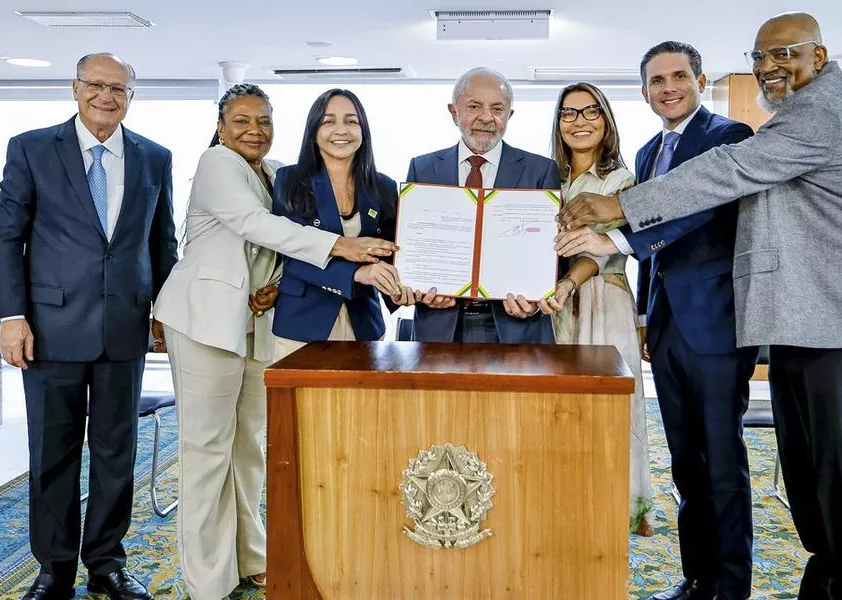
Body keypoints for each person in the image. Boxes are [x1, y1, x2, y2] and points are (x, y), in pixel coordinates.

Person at [558, 13, 842, 600]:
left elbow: (727, 176)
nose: (769, 67)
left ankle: (776, 586)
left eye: (785, 55)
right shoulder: (764, 123)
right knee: (809, 482)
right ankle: (793, 584)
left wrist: (617, 210)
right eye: (760, 58)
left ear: (820, 56)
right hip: (801, 325)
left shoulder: (816, 113)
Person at [152, 84, 396, 600]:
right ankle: (206, 577)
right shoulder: (217, 162)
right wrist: (342, 246)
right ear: (220, 125)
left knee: (248, 448)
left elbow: (278, 245)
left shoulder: (273, 172)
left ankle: (250, 554)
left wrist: (276, 283)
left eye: (263, 120)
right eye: (241, 120)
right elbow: (254, 225)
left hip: (253, 321)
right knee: (207, 448)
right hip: (204, 319)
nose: (253, 130)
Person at [558, 42, 758, 600]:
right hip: (668, 326)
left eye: (678, 76)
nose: (668, 87)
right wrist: (647, 318)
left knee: (721, 459)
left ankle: (730, 587)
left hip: (718, 325)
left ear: (699, 78)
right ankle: (697, 579)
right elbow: (659, 256)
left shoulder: (728, 137)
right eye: (655, 80)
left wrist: (613, 236)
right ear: (644, 91)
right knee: (686, 463)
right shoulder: (647, 154)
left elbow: (697, 211)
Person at [0, 53, 175, 600]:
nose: (106, 96)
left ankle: (107, 564)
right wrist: (11, 316)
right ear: (74, 89)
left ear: (131, 96)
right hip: (48, 328)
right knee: (53, 452)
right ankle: (53, 570)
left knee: (118, 453)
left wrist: (164, 312)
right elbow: (6, 237)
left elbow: (161, 242)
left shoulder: (154, 158)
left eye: (118, 88)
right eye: (95, 85)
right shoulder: (30, 148)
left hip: (125, 327)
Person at [536, 82, 655, 536]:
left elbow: (605, 252)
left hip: (604, 302)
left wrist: (568, 281)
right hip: (552, 305)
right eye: (569, 112)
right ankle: (565, 499)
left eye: (590, 112)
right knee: (559, 408)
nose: (579, 121)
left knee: (608, 409)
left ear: (606, 120)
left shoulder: (622, 183)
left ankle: (618, 504)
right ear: (558, 121)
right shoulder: (544, 178)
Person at [405, 66, 562, 344]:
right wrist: (415, 288)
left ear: (509, 116)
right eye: (474, 106)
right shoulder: (423, 168)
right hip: (441, 324)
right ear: (454, 112)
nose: (487, 117)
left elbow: (552, 252)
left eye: (498, 109)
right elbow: (414, 245)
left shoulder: (541, 170)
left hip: (516, 325)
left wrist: (538, 298)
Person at [270, 88, 413, 351]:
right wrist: (357, 273)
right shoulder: (289, 180)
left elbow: (395, 252)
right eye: (328, 121)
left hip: (364, 324)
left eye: (351, 121)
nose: (341, 130)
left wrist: (403, 289)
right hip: (302, 324)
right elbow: (291, 256)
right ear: (314, 130)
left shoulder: (383, 187)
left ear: (363, 130)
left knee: (364, 394)